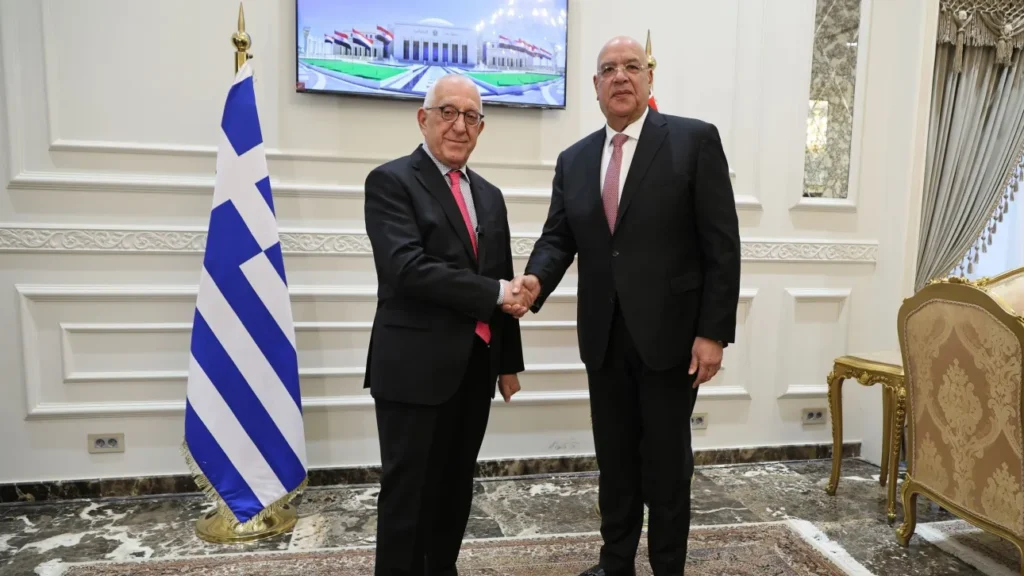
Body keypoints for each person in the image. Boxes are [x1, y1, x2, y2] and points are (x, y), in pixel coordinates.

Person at [505, 36, 741, 575]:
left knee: (666, 466)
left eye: (631, 66)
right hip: (604, 338)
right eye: (609, 69)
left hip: (671, 340)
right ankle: (615, 564)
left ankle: (667, 568)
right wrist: (535, 280)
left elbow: (722, 246)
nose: (620, 76)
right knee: (614, 462)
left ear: (649, 77)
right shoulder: (574, 160)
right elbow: (558, 237)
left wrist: (713, 333)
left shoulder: (693, 141)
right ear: (595, 85)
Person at [363, 73, 531, 576]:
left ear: (482, 127)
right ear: (424, 119)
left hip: (474, 368)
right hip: (412, 371)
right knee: (407, 495)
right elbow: (406, 269)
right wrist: (496, 292)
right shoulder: (390, 181)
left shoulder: (490, 195)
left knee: (456, 488)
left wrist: (507, 363)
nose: (460, 126)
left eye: (471, 116)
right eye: (448, 113)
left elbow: (500, 275)